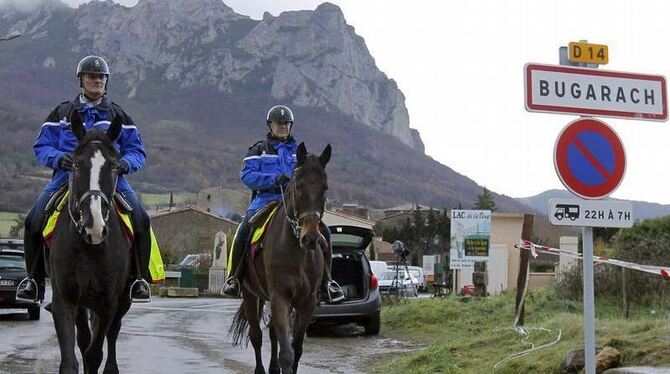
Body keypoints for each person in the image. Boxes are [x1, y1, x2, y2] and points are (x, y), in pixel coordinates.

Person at [15, 55, 152, 304]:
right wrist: (59, 159)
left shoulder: (119, 115)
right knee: (33, 219)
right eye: (91, 76)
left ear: (106, 81)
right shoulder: (61, 112)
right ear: (81, 80)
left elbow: (137, 151)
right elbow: (42, 146)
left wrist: (124, 164)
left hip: (110, 179)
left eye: (101, 77)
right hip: (68, 177)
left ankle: (138, 279)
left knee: (141, 218)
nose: (96, 80)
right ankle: (33, 281)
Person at [223, 104, 345, 304]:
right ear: (270, 125)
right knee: (244, 230)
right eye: (279, 124)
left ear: (291, 126)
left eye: (286, 124)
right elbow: (247, 175)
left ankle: (328, 282)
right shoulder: (259, 149)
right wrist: (273, 179)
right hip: (265, 201)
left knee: (326, 234)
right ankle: (234, 279)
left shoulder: (300, 154)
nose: (282, 127)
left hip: (295, 205)